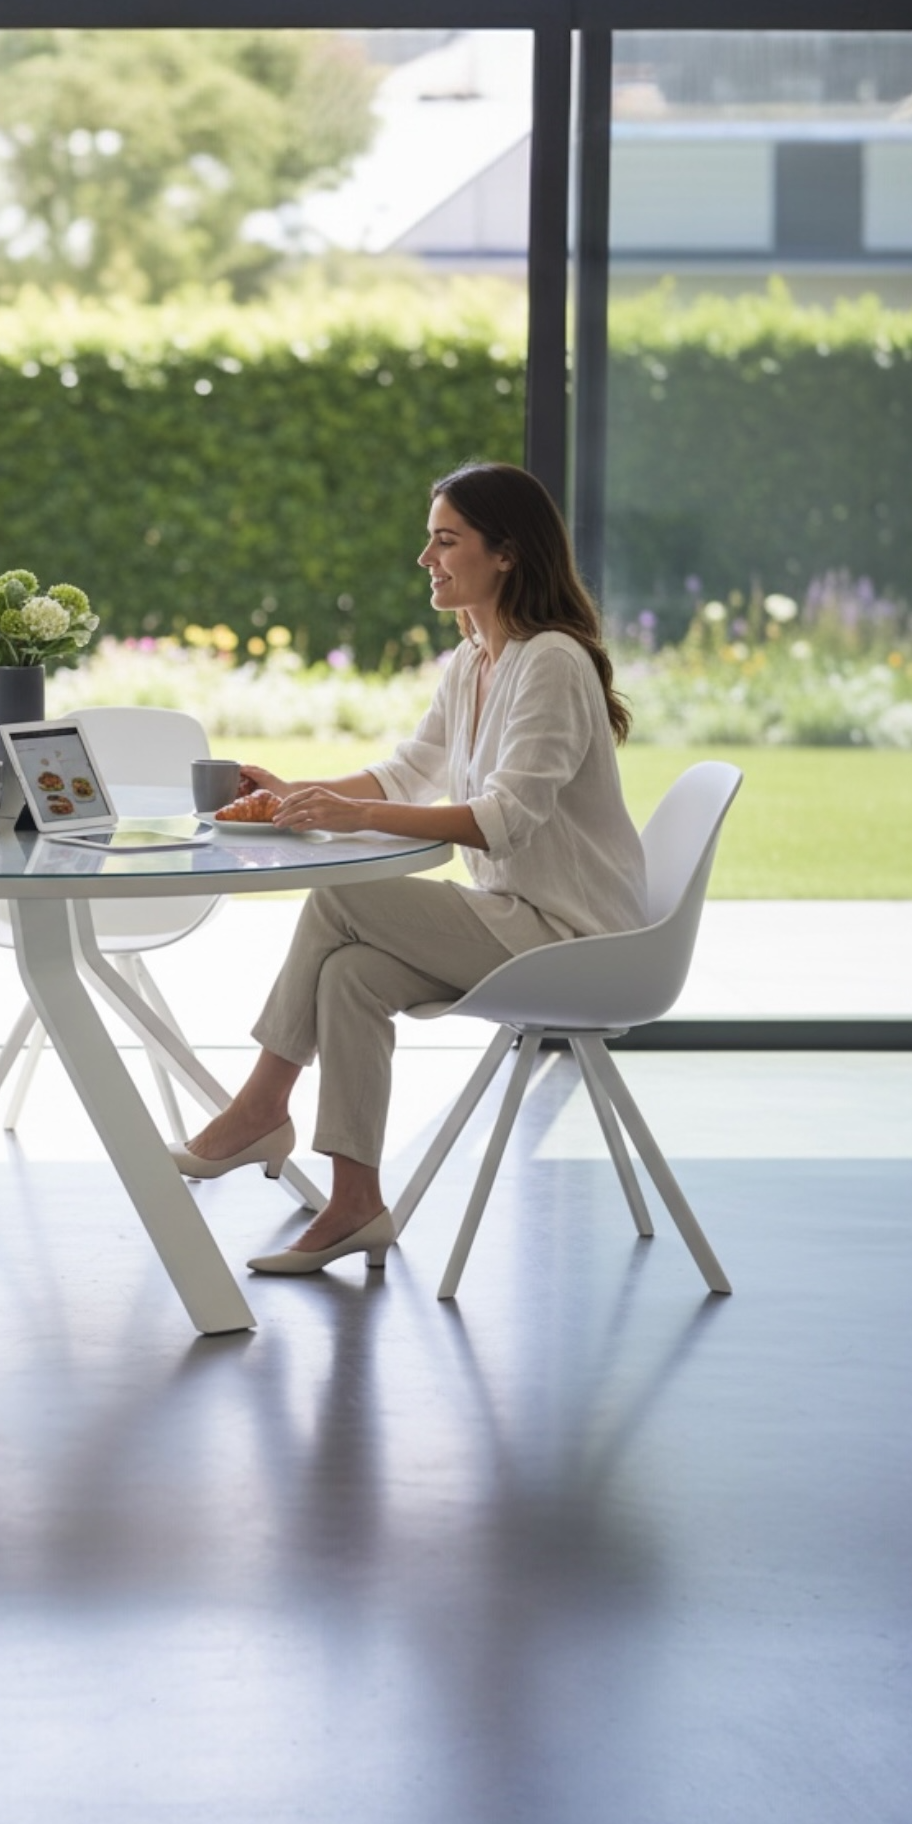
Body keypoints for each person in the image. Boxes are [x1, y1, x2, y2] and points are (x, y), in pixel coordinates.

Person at [176, 461, 647, 1275]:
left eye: (445, 540)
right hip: (513, 920)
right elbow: (408, 770)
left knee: (337, 896)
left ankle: (260, 1104)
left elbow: (503, 820)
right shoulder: (472, 661)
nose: (426, 558)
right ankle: (356, 1202)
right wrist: (302, 793)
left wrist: (353, 818)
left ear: (504, 553)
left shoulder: (553, 663)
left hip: (575, 938)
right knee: (352, 975)